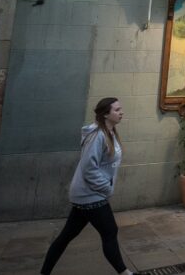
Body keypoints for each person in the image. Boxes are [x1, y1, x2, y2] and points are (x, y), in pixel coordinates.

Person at [41, 98, 134, 275]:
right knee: (109, 231)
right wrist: (106, 187)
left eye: (120, 109)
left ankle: (44, 273)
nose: (121, 112)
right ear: (106, 114)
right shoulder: (97, 135)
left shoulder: (110, 132)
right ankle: (125, 273)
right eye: (117, 109)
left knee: (66, 236)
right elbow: (88, 168)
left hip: (87, 193)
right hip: (91, 193)